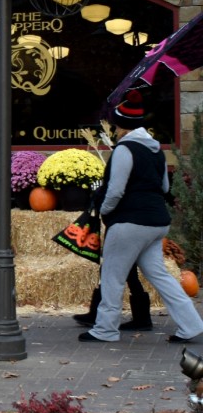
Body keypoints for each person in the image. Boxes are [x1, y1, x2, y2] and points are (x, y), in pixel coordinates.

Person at [79, 89, 203, 343]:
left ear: (122, 127)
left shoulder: (125, 150)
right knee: (160, 276)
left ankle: (105, 329)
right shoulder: (156, 151)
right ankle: (191, 324)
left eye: (116, 126)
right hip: (157, 222)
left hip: (130, 222)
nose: (114, 130)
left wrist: (103, 211)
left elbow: (116, 190)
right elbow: (165, 188)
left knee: (112, 276)